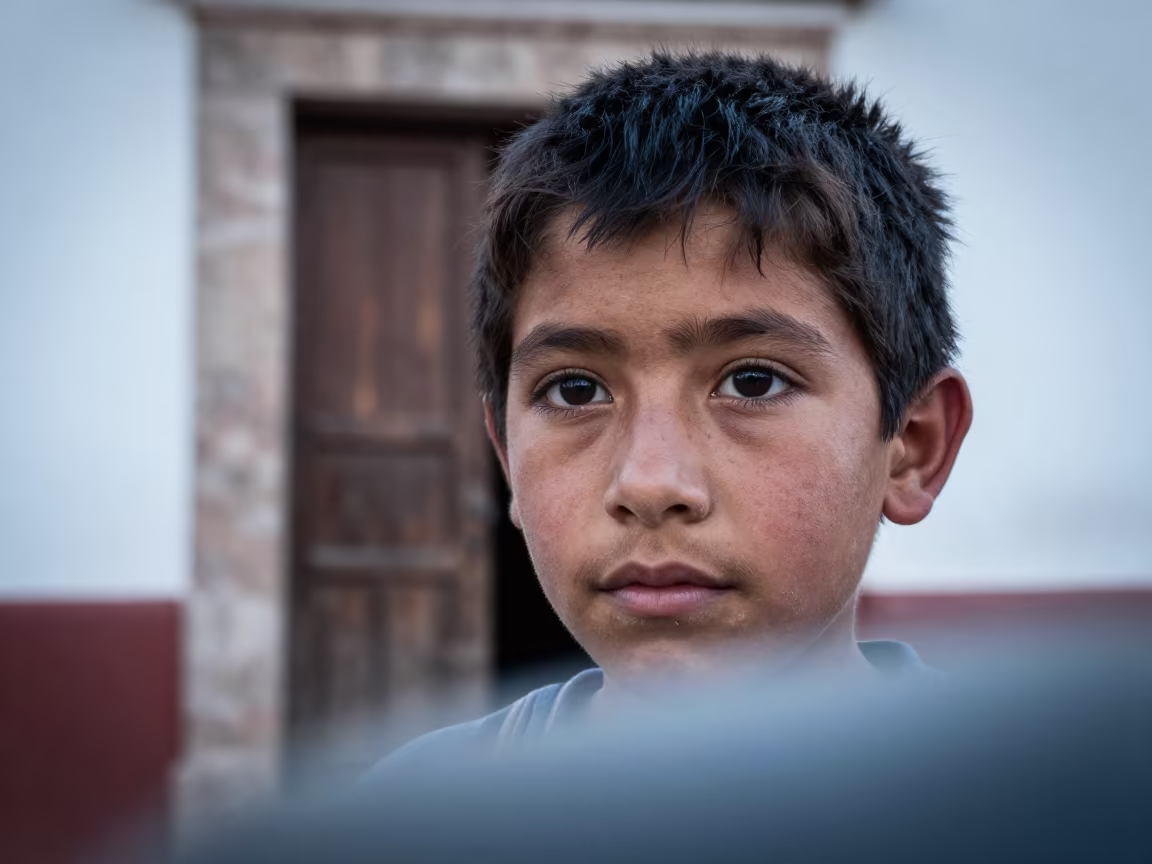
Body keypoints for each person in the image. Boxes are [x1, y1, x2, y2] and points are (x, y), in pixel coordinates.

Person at [379, 49, 973, 768]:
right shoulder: (412, 815)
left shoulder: (1044, 813)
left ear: (913, 447)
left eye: (753, 382)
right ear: (506, 453)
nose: (650, 485)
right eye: (575, 390)